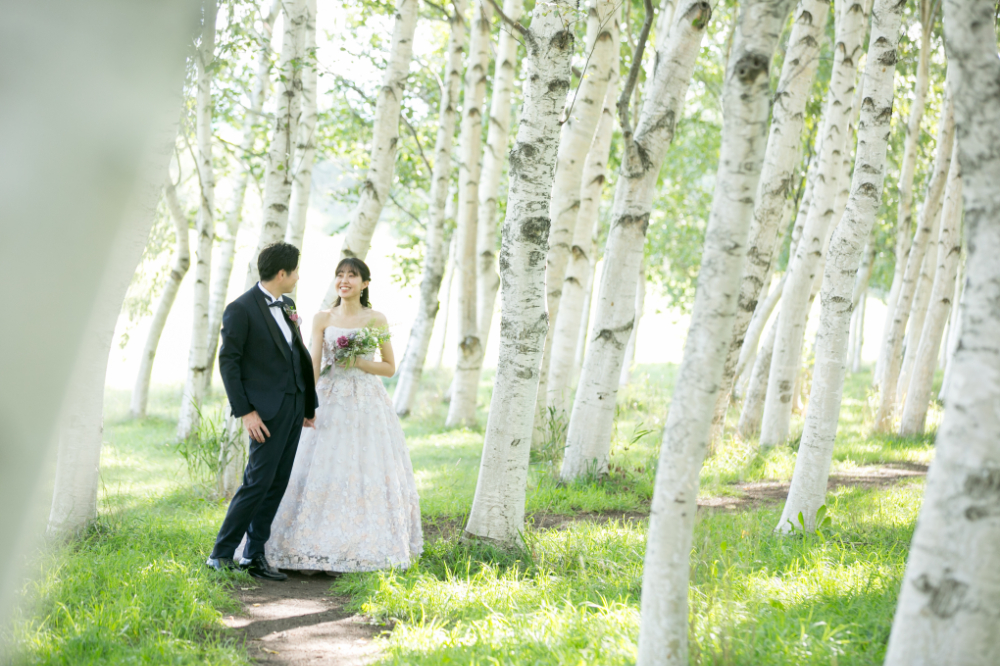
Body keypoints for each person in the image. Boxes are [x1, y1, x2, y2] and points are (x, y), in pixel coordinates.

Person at [264, 257, 423, 572]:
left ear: (364, 283)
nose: (344, 280)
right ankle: (309, 544)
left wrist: (359, 362)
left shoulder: (376, 318)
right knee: (321, 464)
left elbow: (389, 368)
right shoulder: (322, 318)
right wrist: (306, 404)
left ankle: (362, 543)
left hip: (368, 402)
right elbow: (313, 364)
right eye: (340, 275)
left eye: (352, 275)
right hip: (331, 397)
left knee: (365, 465)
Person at [206, 242, 319, 581]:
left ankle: (254, 556)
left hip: (294, 405)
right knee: (256, 482)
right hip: (264, 412)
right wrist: (246, 413)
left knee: (276, 482)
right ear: (282, 273)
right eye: (296, 271)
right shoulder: (240, 309)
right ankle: (221, 554)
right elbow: (228, 363)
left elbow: (295, 353)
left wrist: (307, 404)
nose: (298, 277)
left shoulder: (288, 304)